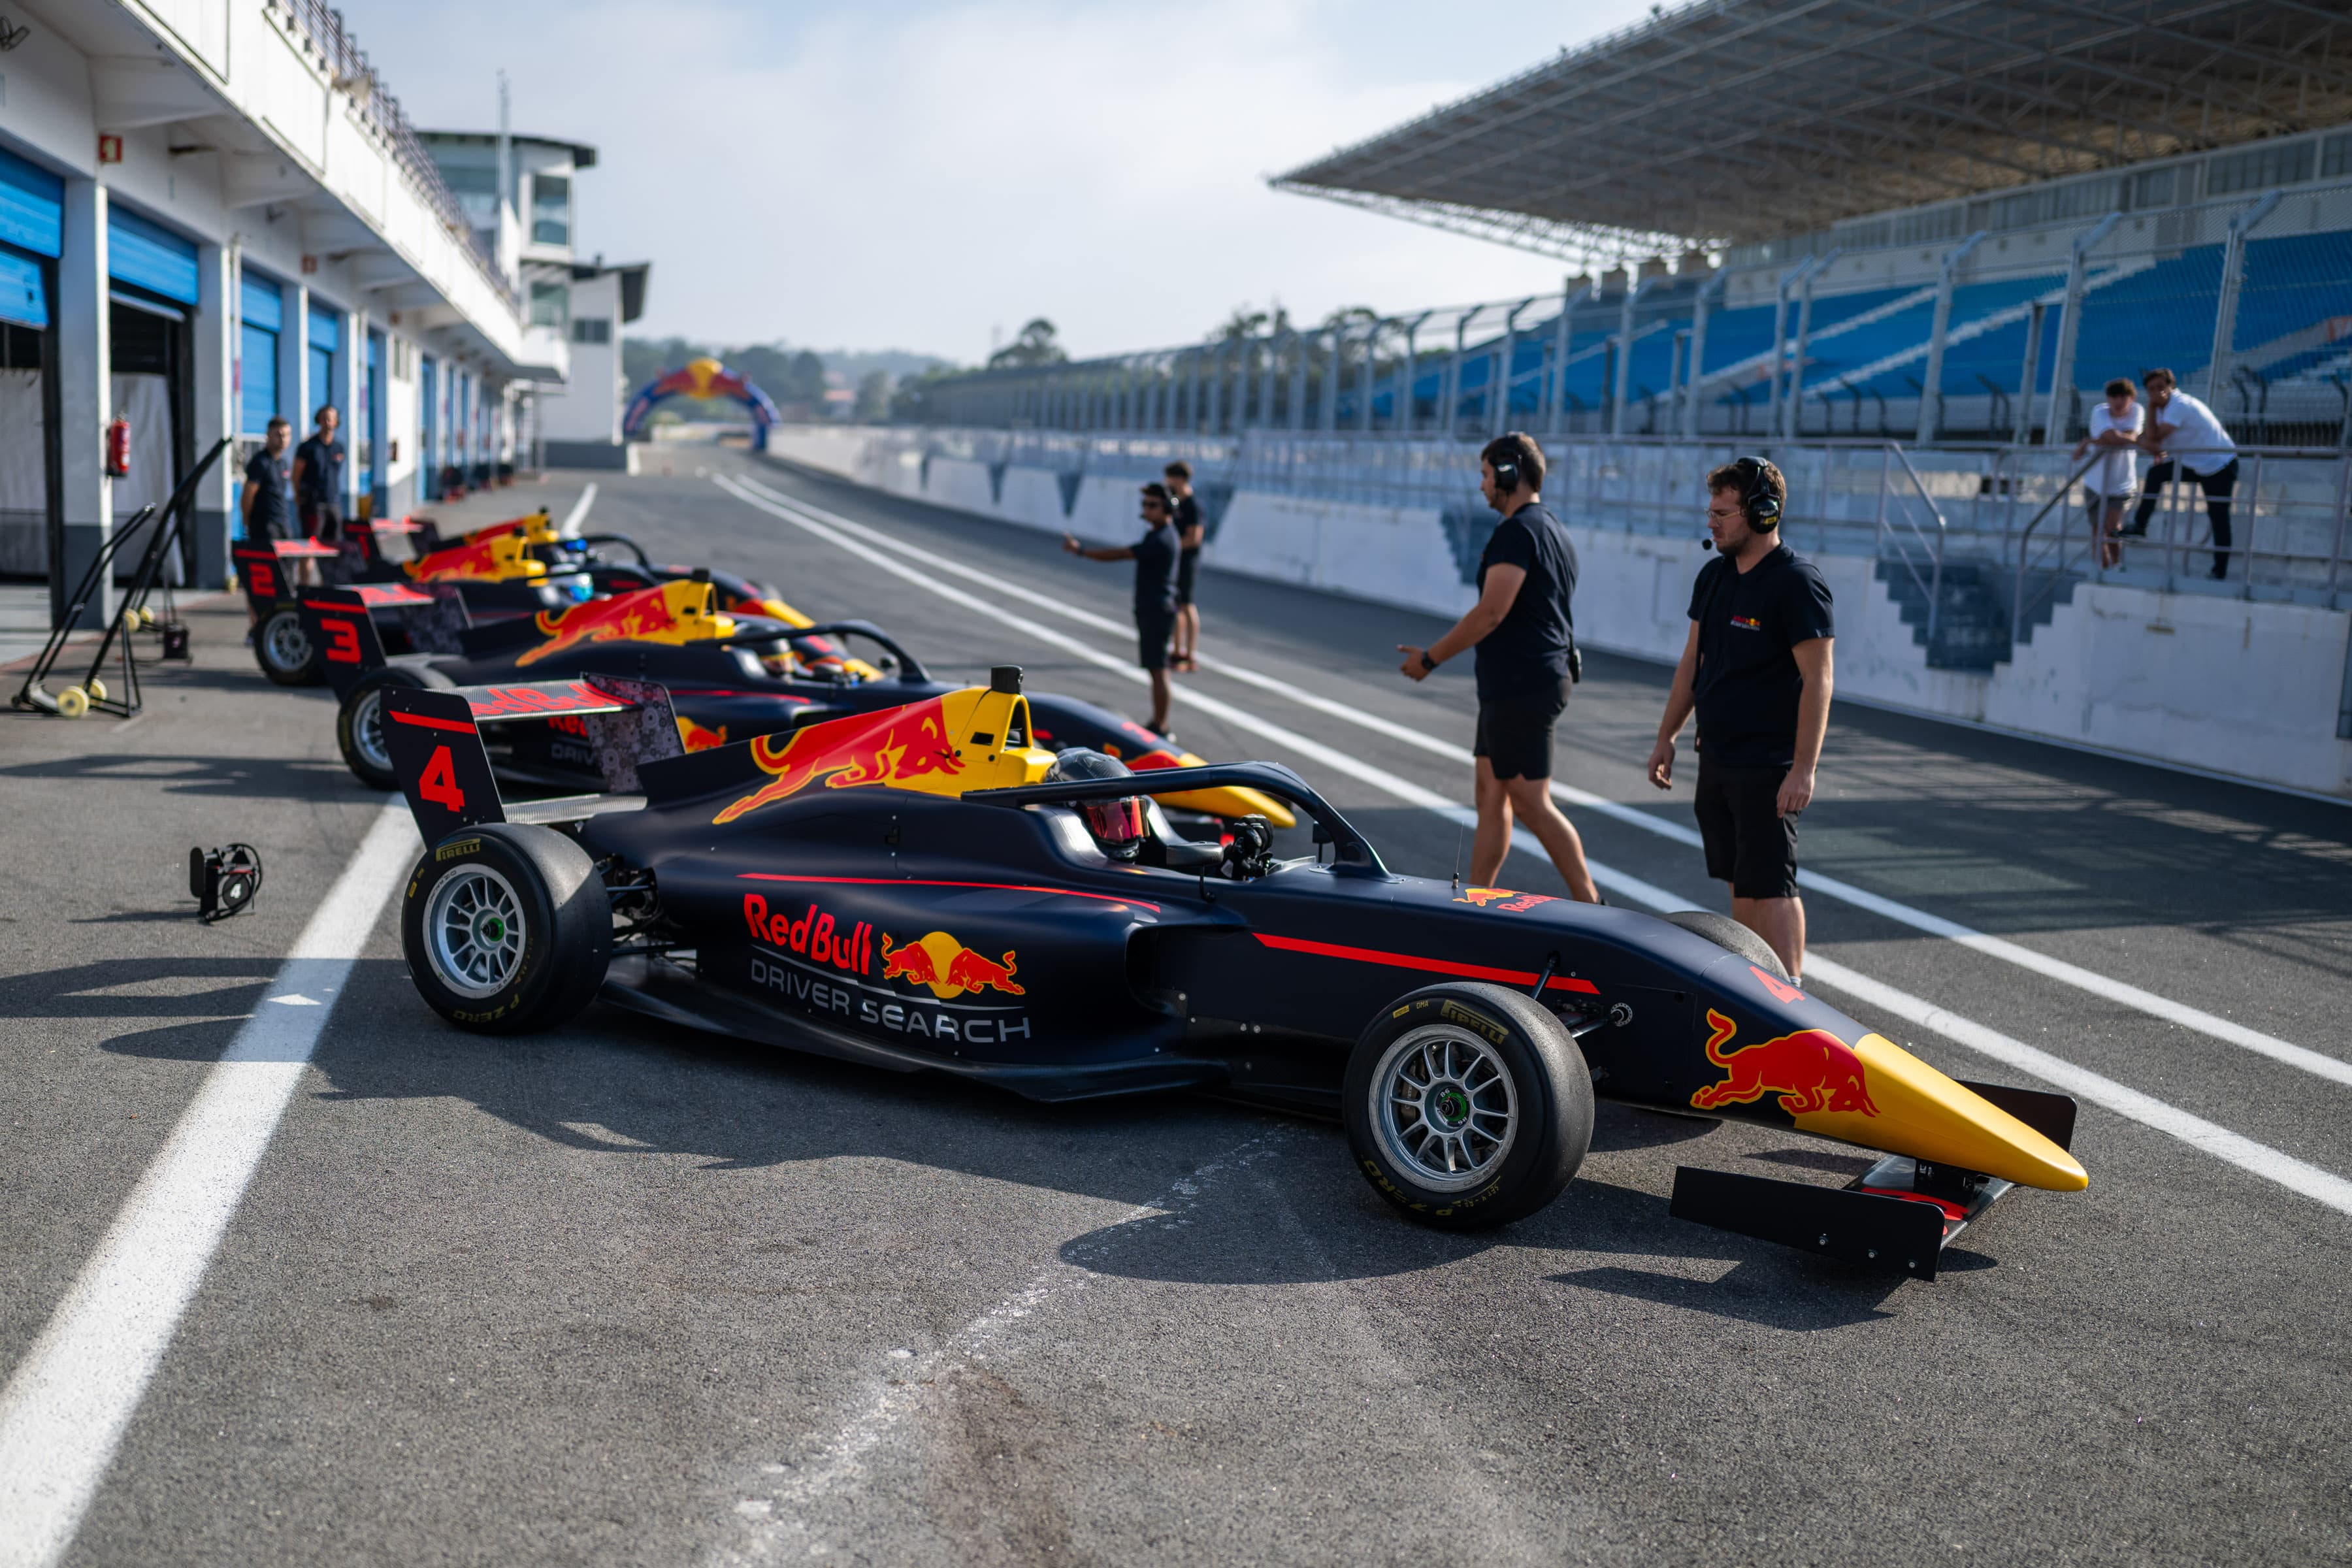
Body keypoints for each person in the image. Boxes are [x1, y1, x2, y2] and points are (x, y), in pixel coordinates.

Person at [1645, 457, 1834, 983]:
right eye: (1711, 511)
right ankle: (1759, 988)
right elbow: (1692, 662)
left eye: (1724, 513)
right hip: (1719, 757)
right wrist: (1667, 736)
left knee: (1773, 886)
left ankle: (1791, 996)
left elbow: (1820, 681)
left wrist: (1803, 769)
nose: (1712, 522)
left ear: (1763, 514)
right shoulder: (1713, 576)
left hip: (1768, 763)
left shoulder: (1797, 583)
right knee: (1740, 883)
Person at [1397, 431, 1601, 904]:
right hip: (1516, 681)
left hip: (1523, 683)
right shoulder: (1550, 527)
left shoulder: (1518, 531)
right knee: (1491, 791)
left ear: (1511, 473)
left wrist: (1430, 658)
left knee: (1530, 800)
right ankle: (1477, 900)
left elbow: (1492, 612)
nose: (1483, 486)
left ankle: (1593, 906)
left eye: (1488, 475)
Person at [1064, 482, 1181, 735]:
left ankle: (1161, 726)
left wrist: (1081, 551)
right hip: (1155, 608)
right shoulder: (1159, 534)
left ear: (1167, 508)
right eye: (1145, 504)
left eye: (1152, 505)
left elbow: (1121, 554)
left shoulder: (1161, 538)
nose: (1146, 510)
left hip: (1156, 609)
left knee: (1158, 670)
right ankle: (1159, 723)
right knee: (1155, 669)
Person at [2129, 367, 2239, 580]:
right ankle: (2140, 525)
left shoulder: (2179, 404)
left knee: (2219, 518)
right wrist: (2148, 436)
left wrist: (2150, 413)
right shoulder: (2160, 409)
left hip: (2219, 465)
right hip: (2195, 464)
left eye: (2161, 387)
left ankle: (2220, 571)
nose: (2157, 393)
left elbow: (2155, 440)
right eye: (2151, 389)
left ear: (2172, 387)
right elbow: (2149, 441)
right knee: (2156, 474)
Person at [2072, 378, 2142, 568]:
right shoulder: (2100, 411)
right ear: (2107, 398)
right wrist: (2117, 439)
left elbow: (2124, 438)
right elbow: (2117, 438)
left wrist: (2092, 442)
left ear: (2132, 398)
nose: (2119, 401)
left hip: (2122, 484)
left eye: (2123, 397)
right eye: (2114, 397)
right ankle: (2101, 569)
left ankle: (2117, 565)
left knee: (2112, 525)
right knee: (2097, 529)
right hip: (2095, 483)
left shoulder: (2137, 410)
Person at [1165, 460, 1205, 672]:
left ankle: (1191, 653)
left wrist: (1171, 547)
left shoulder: (1192, 505)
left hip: (1187, 560)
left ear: (1179, 478)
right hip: (1176, 559)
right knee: (1176, 605)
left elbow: (1195, 538)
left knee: (1187, 605)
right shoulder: (1175, 501)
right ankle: (1177, 649)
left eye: (1170, 477)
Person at [293, 404, 346, 543]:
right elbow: (296, 475)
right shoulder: (308, 447)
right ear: (319, 421)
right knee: (310, 546)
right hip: (313, 505)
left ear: (336, 422)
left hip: (334, 503)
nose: (328, 423)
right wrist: (299, 500)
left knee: (334, 547)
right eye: (324, 419)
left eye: (331, 419)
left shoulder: (339, 448)